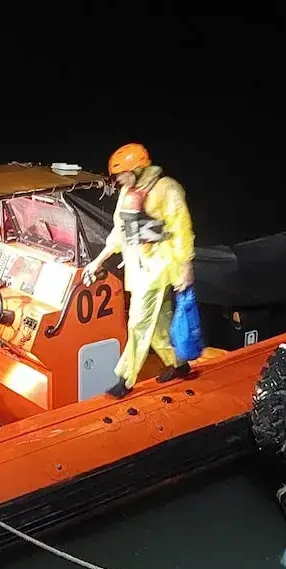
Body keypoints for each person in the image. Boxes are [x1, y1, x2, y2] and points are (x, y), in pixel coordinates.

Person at [82, 143, 196, 398]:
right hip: (138, 268)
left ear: (138, 168)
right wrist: (98, 261)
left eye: (122, 173)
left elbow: (182, 230)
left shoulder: (167, 189)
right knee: (158, 325)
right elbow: (120, 232)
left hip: (159, 267)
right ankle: (179, 364)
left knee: (138, 322)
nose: (118, 180)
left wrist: (185, 267)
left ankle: (125, 378)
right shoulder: (128, 193)